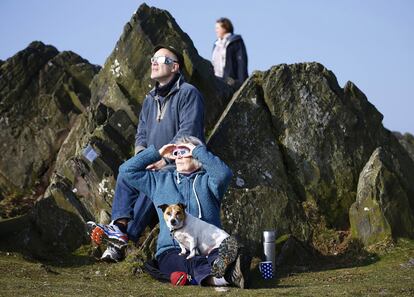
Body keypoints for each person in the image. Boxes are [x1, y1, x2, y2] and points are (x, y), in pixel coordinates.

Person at [88, 45, 205, 262]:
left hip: (177, 167)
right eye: (153, 58)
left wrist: (163, 160)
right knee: (126, 173)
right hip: (153, 164)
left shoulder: (189, 93)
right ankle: (119, 229)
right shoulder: (150, 99)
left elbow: (188, 135)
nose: (153, 61)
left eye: (160, 58)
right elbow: (141, 134)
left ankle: (120, 241)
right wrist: (143, 159)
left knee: (151, 187)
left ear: (175, 67)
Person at [117, 135, 249, 288]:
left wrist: (197, 151)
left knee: (220, 251)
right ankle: (225, 276)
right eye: (176, 152)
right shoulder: (159, 181)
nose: (179, 156)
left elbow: (224, 174)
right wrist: (158, 153)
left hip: (209, 245)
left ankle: (227, 269)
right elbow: (126, 171)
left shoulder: (209, 182)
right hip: (173, 251)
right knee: (189, 261)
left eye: (184, 151)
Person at [212, 17, 248, 89]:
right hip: (217, 80)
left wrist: (242, 83)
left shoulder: (235, 41)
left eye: (218, 28)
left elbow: (241, 63)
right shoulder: (216, 44)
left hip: (231, 81)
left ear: (225, 28)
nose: (216, 30)